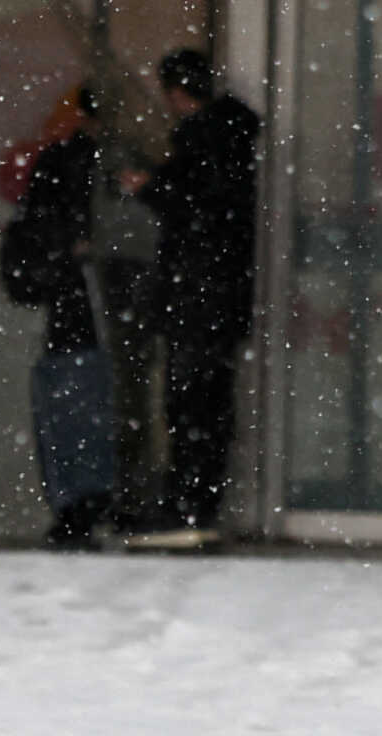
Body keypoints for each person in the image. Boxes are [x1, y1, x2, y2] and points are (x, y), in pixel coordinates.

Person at [116, 48, 258, 546]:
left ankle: (187, 503)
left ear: (178, 93)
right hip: (219, 292)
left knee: (190, 401)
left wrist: (154, 188)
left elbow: (197, 209)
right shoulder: (235, 138)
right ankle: (198, 502)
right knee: (207, 401)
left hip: (198, 292)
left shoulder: (203, 142)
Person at [0, 85, 116, 549]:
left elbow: (35, 231)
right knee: (86, 397)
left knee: (70, 401)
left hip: (70, 305)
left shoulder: (64, 161)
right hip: (86, 303)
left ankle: (77, 505)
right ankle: (89, 502)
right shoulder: (91, 163)